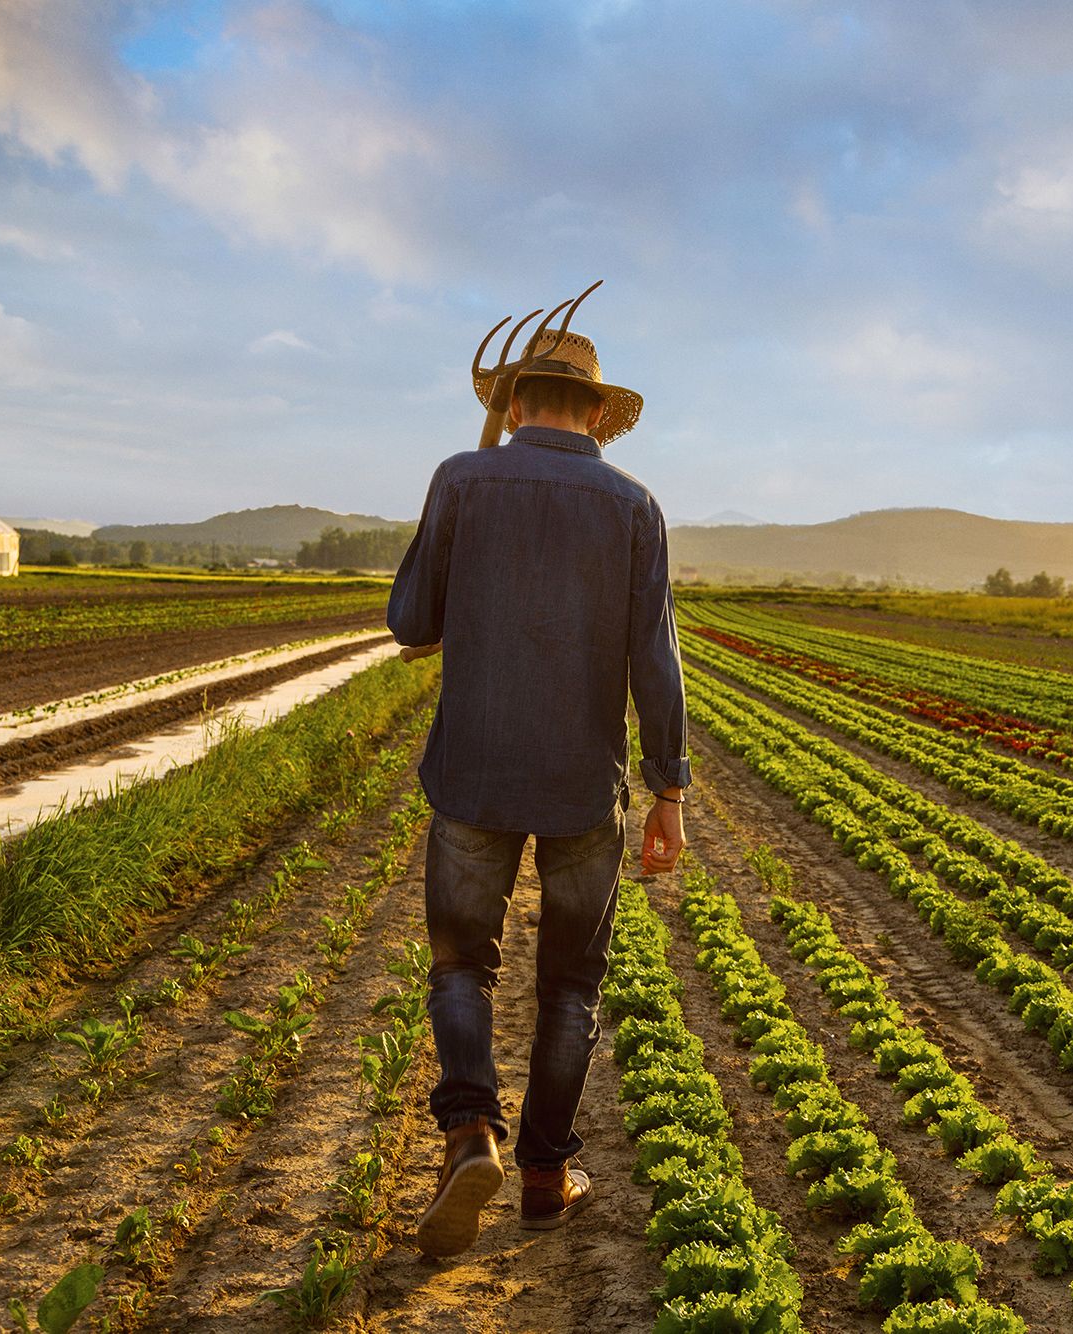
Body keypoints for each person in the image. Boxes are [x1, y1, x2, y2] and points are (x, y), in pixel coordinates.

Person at [387, 306, 690, 1258]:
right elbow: (656, 660)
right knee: (570, 984)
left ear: (515, 400)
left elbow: (409, 620)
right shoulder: (634, 506)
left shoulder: (460, 479)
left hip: (473, 770)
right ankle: (547, 1176)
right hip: (580, 787)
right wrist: (669, 791)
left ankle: (470, 1132)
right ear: (597, 415)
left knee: (459, 963)